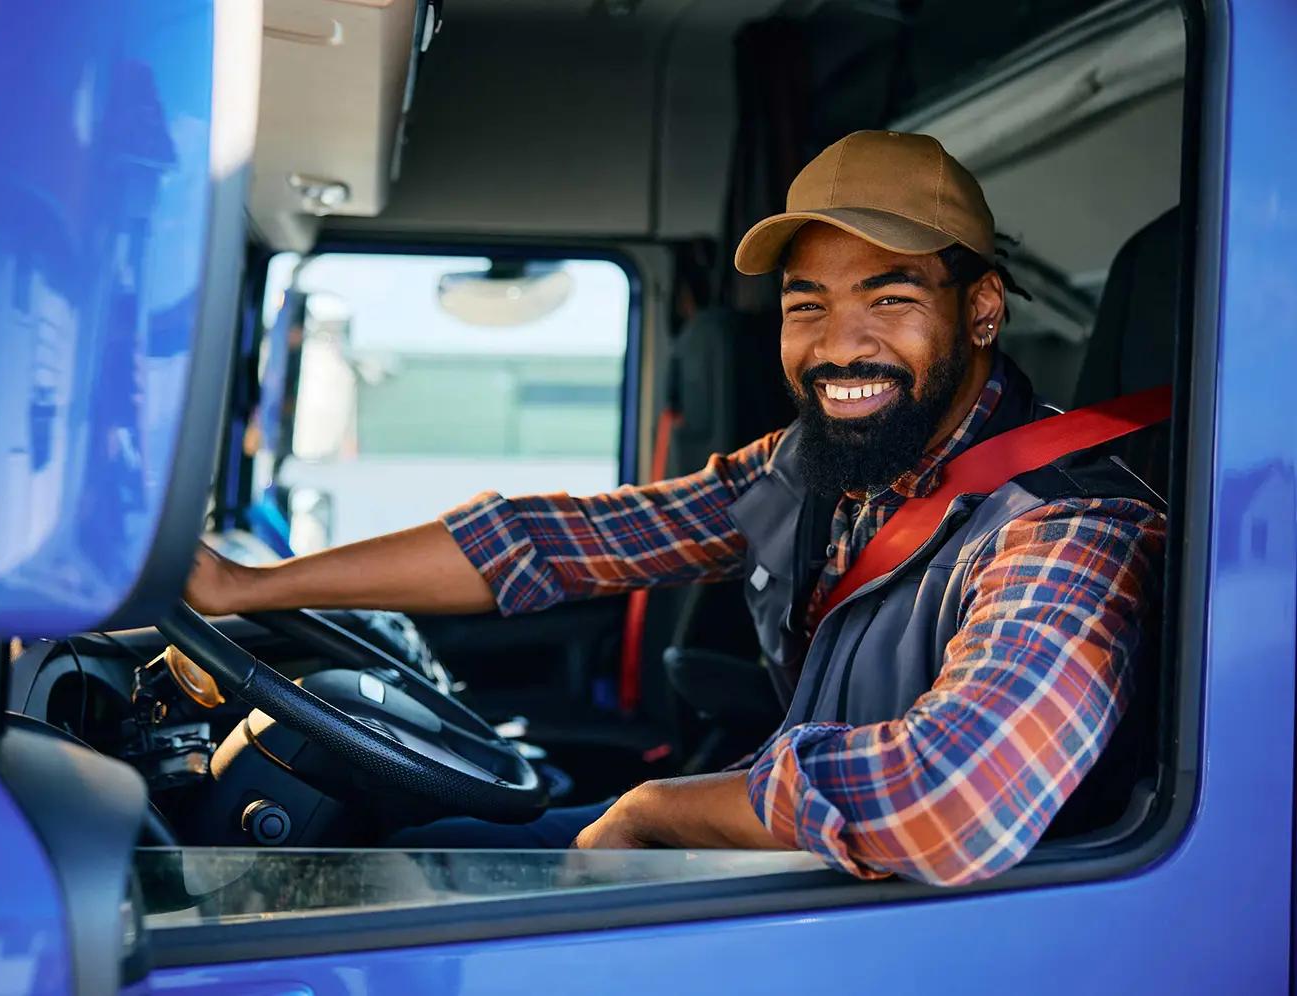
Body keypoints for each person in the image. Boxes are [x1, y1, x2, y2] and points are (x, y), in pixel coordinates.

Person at [185, 130, 1165, 886]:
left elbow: (949, 803)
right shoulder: (811, 467)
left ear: (982, 309)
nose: (838, 344)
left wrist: (657, 808)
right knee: (403, 857)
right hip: (807, 877)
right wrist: (246, 585)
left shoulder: (1069, 525)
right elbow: (548, 545)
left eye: (890, 297)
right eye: (805, 304)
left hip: (918, 925)